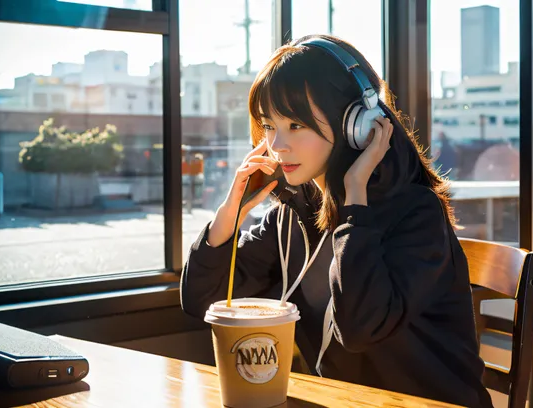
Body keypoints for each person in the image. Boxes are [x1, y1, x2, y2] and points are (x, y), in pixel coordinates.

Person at [180, 35, 493, 408]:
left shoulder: (416, 214)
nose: (277, 144)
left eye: (295, 125)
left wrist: (354, 199)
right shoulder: (292, 216)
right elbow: (203, 299)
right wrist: (230, 212)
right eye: (269, 126)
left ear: (356, 125)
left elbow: (360, 329)